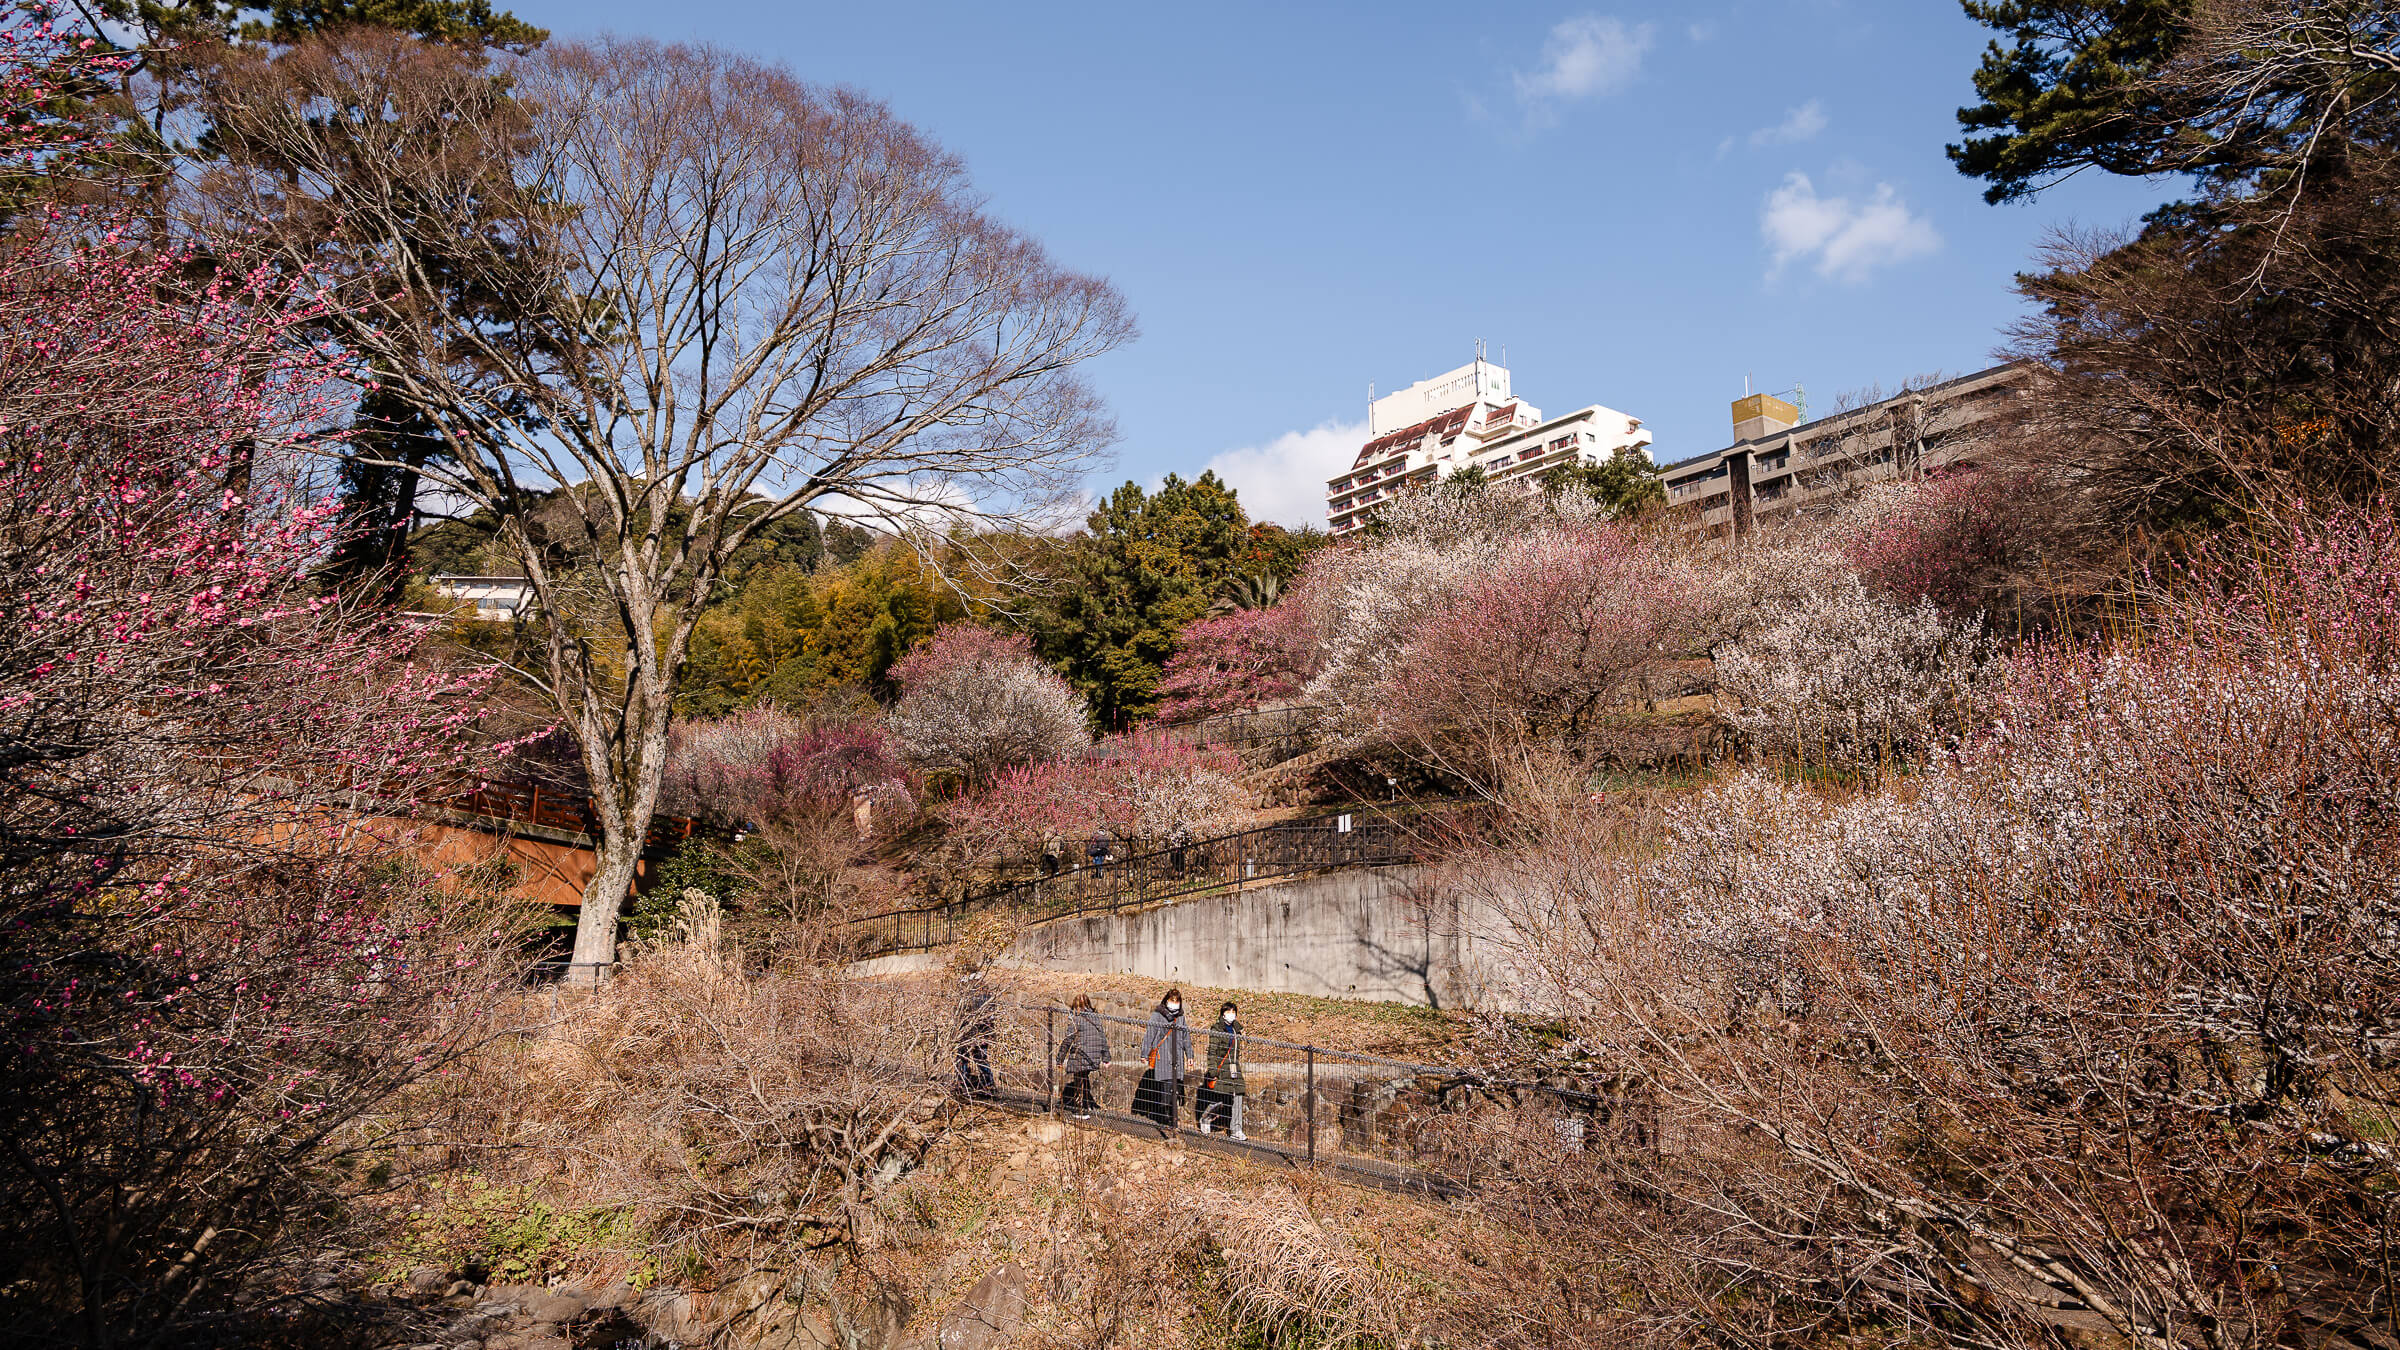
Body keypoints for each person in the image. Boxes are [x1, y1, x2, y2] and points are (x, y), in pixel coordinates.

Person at [1132, 987, 1191, 1133]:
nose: (1174, 1004)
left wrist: (1190, 1055)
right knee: (1166, 1090)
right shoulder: (1158, 1015)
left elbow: (1186, 1037)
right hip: (1163, 1056)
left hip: (1177, 1057)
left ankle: (1171, 1120)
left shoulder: (1181, 1016)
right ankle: (1166, 1117)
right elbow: (1149, 1034)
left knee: (1174, 1090)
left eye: (1177, 1001)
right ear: (1166, 1000)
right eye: (1172, 1001)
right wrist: (1144, 1053)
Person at [1195, 1001, 1248, 1140]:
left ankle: (1236, 1129)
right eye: (1228, 1012)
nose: (1231, 1015)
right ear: (1222, 1014)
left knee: (1238, 1095)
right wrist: (1213, 1071)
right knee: (1219, 1098)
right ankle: (1206, 1118)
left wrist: (1240, 1029)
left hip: (1234, 1067)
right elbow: (1212, 1051)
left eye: (1233, 1012)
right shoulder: (1217, 1029)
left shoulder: (1236, 1030)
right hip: (1221, 1067)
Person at [1055, 992, 1110, 1119]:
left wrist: (1060, 1059)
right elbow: (1102, 1038)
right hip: (1093, 1056)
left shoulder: (1076, 1019)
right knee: (1083, 1078)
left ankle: (1081, 1110)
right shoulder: (1095, 1018)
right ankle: (1087, 1105)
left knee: (1079, 1080)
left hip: (1081, 1054)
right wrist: (1106, 1058)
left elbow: (1068, 1040)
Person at [954, 969, 998, 1102]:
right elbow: (991, 1017)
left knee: (963, 1058)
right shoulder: (988, 996)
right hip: (983, 1033)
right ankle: (988, 1085)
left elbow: (960, 1016)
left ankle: (963, 1085)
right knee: (981, 1059)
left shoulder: (968, 998)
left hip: (969, 1033)